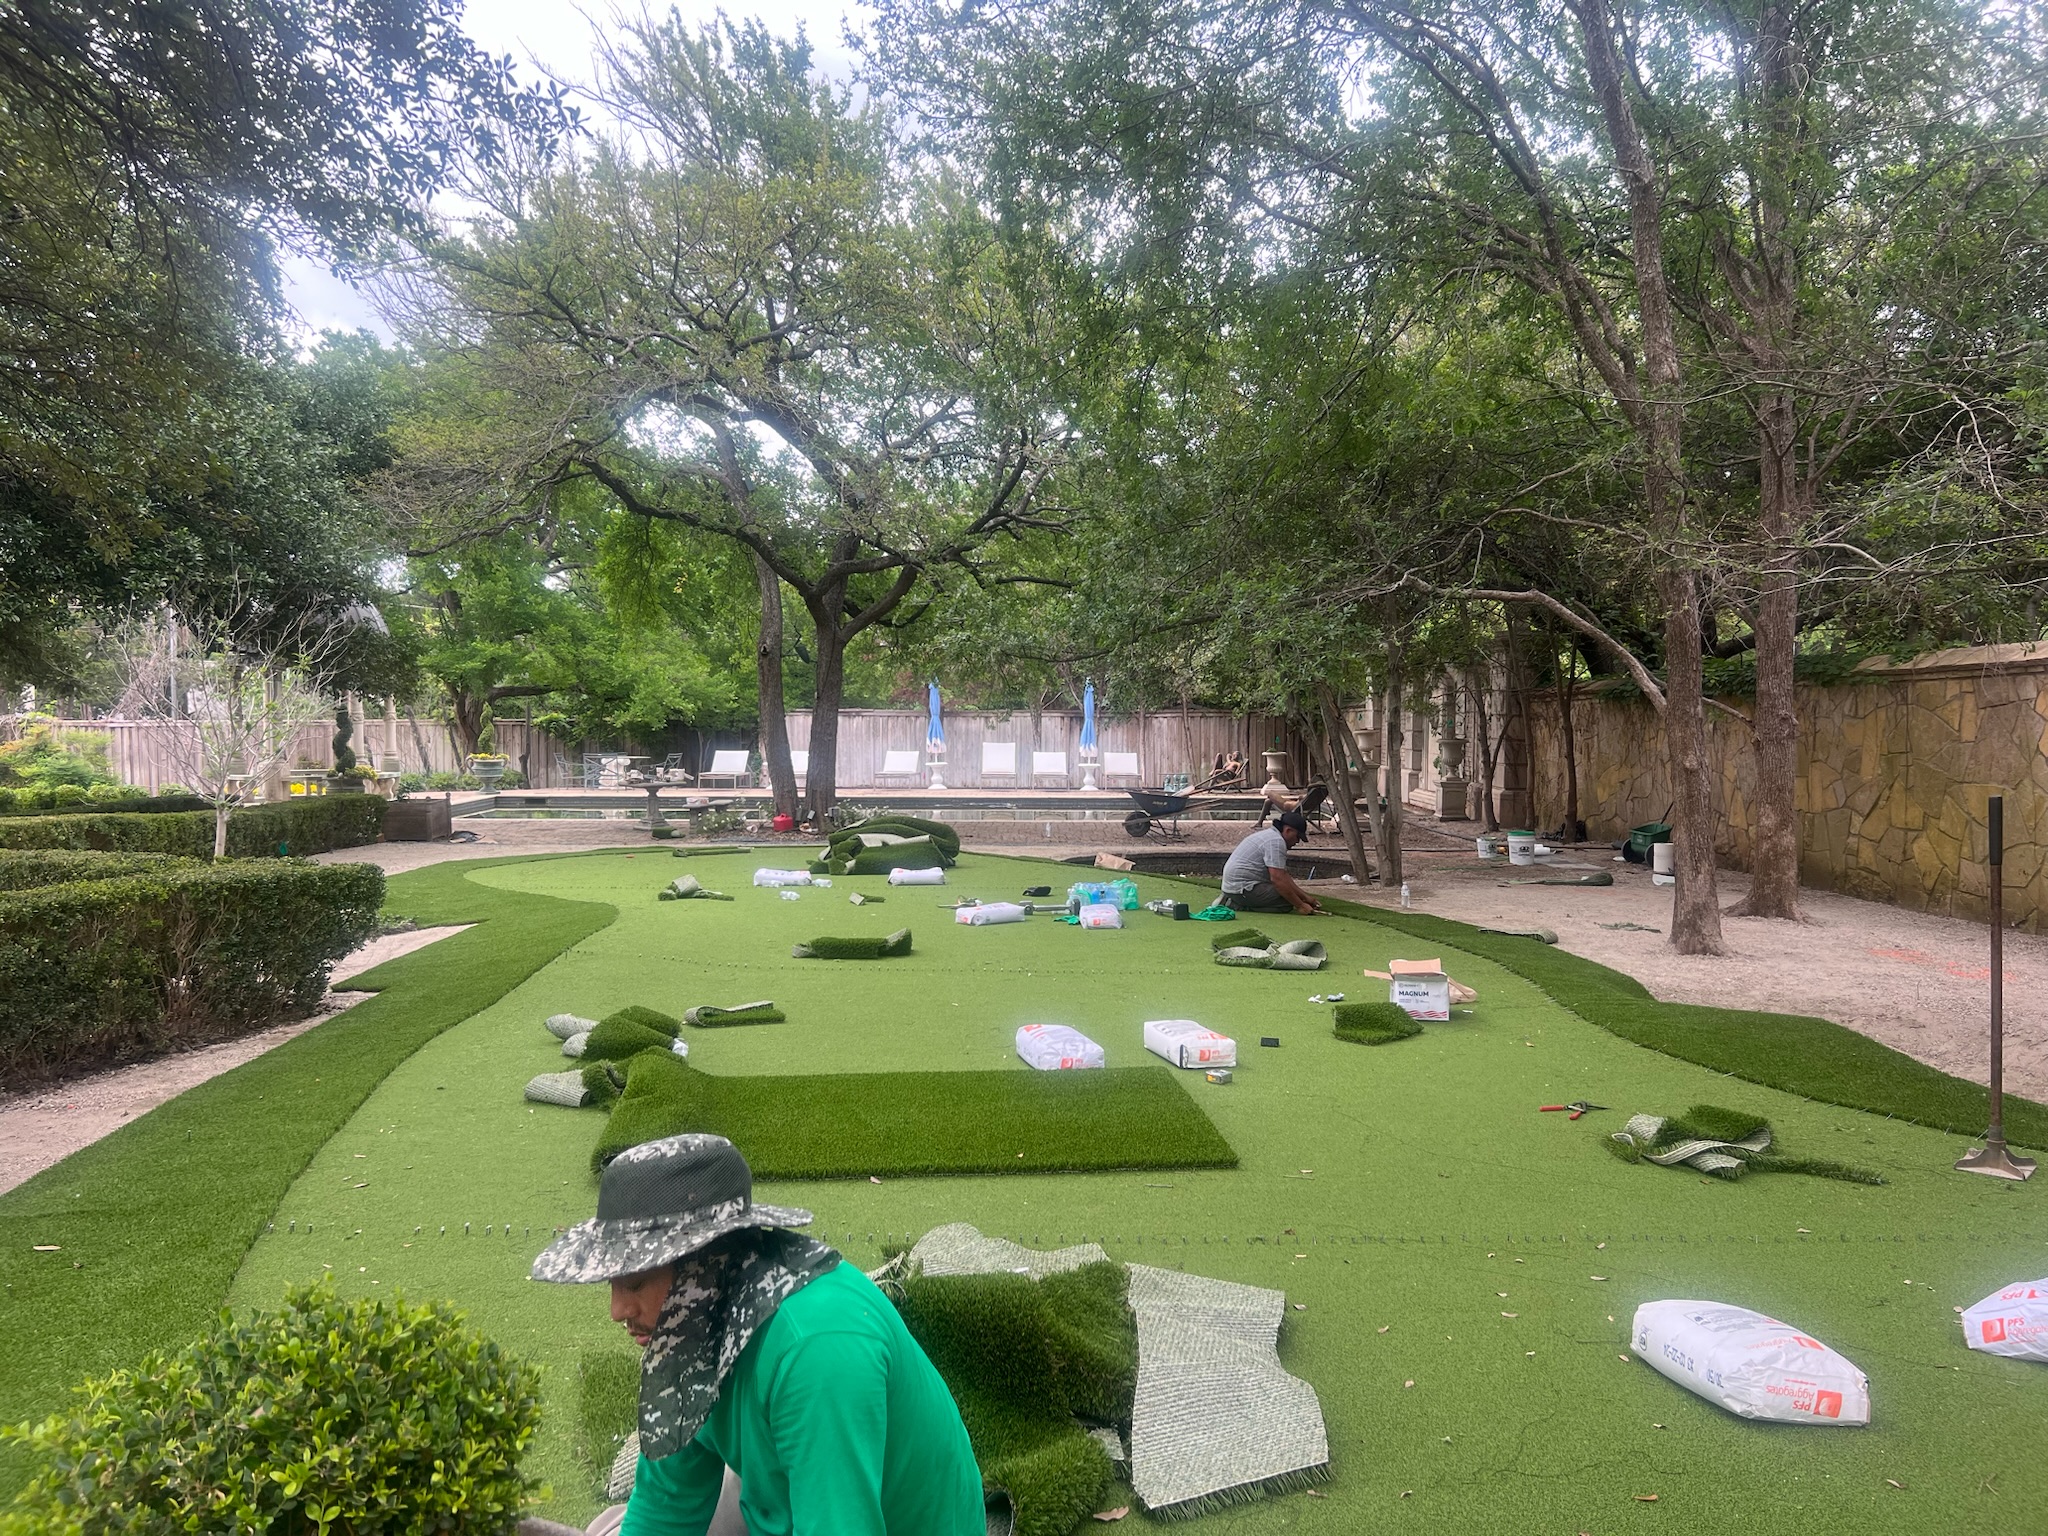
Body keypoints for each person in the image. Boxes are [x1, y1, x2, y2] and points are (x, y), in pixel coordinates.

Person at [531, 1134, 986, 1536]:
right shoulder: (693, 1327)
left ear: (704, 1264)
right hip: (781, 1499)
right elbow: (664, 1513)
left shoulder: (817, 1347)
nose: (617, 1310)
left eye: (634, 1282)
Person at [1219, 807, 1322, 914]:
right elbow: (1277, 879)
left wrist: (1305, 897)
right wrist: (1300, 905)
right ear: (1288, 831)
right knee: (1286, 901)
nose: (1297, 842)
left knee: (1289, 895)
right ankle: (1239, 905)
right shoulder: (1276, 842)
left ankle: (1238, 901)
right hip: (1242, 889)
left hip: (1234, 887)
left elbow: (1283, 875)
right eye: (1297, 837)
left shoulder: (1270, 835)